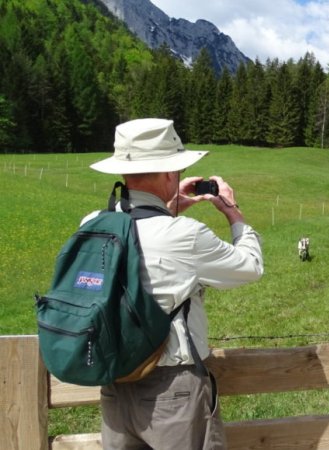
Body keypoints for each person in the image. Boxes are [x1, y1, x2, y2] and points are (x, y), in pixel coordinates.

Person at [87, 118, 264, 449]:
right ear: (171, 172)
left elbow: (141, 235)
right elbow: (250, 266)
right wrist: (232, 211)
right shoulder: (184, 234)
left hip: (114, 384)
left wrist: (169, 206)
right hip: (174, 391)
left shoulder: (94, 223)